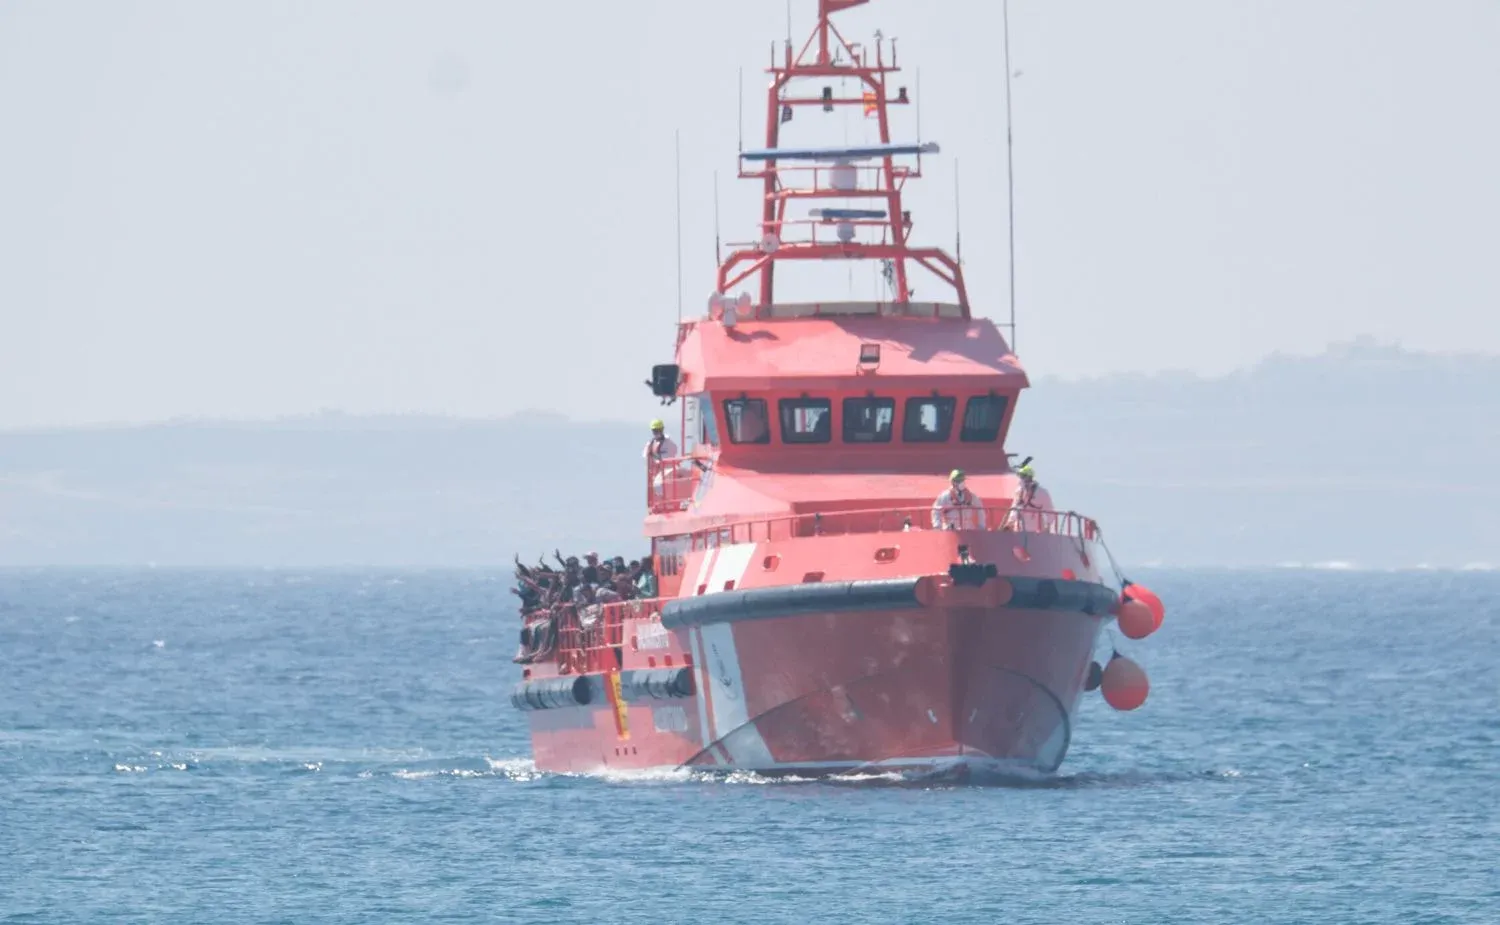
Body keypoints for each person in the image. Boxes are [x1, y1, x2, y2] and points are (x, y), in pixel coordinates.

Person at [1003, 464, 1046, 532]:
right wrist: (1010, 523)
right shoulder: (1019, 491)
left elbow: (1047, 510)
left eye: (1023, 476)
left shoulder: (1040, 492)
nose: (1020, 479)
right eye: (1020, 476)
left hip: (1034, 529)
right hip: (1020, 529)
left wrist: (1047, 527)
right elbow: (1015, 507)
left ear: (1029, 477)